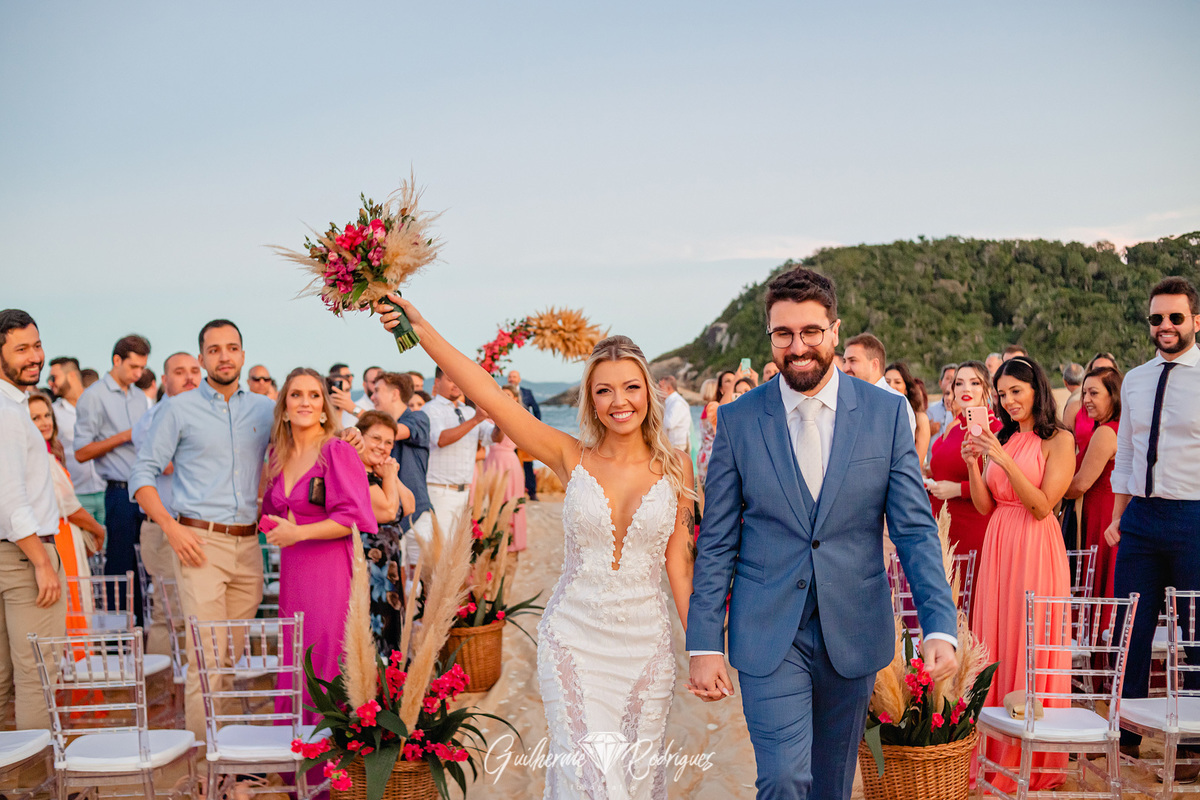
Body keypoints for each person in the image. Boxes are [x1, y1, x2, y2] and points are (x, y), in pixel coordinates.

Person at [378, 294, 697, 798]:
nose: (620, 402)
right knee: (589, 779)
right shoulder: (570, 455)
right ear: (590, 400)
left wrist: (702, 647)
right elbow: (492, 396)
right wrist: (421, 328)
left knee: (636, 782)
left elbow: (679, 563)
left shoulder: (678, 466)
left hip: (647, 650)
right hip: (573, 642)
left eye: (632, 387)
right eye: (604, 390)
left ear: (650, 394)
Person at [687, 268, 958, 800]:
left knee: (831, 786)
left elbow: (913, 528)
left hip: (853, 628)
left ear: (835, 331)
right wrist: (703, 642)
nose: (798, 346)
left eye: (811, 331)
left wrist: (939, 625)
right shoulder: (739, 420)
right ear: (770, 337)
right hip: (767, 630)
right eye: (783, 334)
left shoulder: (885, 414)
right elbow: (717, 539)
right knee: (785, 778)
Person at [131, 320, 363, 741]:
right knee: (207, 662)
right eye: (214, 349)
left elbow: (309, 436)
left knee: (226, 658)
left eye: (232, 348)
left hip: (249, 549)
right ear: (201, 359)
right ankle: (207, 768)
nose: (224, 356)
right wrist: (170, 527)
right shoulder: (177, 409)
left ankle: (228, 751)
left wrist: (351, 435)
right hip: (198, 543)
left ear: (242, 354)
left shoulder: (263, 409)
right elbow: (141, 475)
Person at [964, 356, 1073, 791]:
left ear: (1036, 390)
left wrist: (1002, 459)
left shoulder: (1058, 440)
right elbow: (985, 505)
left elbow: (1043, 504)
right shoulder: (1002, 439)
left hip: (1035, 545)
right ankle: (991, 752)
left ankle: (1034, 758)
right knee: (996, 639)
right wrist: (975, 461)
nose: (1009, 401)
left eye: (1017, 391)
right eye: (1003, 393)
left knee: (1029, 641)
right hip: (999, 542)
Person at [1107, 277, 1200, 772]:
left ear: (1195, 321)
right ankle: (1125, 732)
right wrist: (1118, 517)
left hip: (1194, 515)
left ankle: (1193, 740)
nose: (1164, 326)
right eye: (1156, 318)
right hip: (1141, 517)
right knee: (1131, 624)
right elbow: (1126, 453)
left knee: (1196, 629)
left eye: (1175, 317)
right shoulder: (1137, 379)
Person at [261, 368, 377, 724]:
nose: (305, 402)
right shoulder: (277, 457)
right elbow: (269, 511)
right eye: (296, 394)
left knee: (324, 656)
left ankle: (325, 773)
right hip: (293, 574)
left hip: (329, 572)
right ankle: (292, 757)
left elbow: (357, 517)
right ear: (283, 408)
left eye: (314, 395)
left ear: (325, 408)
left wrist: (299, 533)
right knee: (294, 657)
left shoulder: (337, 450)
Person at [0, 309, 67, 730]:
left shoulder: (18, 406)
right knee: (38, 677)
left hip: (14, 553)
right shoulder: (8, 414)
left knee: (7, 678)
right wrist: (42, 561)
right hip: (25, 555)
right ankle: (34, 790)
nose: (35, 356)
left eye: (37, 345)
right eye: (21, 349)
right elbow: (10, 499)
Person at [74, 333, 151, 625]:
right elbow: (81, 452)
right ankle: (117, 641)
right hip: (118, 492)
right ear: (116, 360)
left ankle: (140, 634)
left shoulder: (140, 396)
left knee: (142, 567)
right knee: (119, 566)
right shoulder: (94, 397)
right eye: (133, 367)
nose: (139, 374)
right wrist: (124, 436)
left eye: (142, 368)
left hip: (145, 489)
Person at [131, 351, 202, 656]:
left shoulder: (199, 413)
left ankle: (186, 687)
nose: (189, 378)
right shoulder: (159, 416)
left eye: (195, 371)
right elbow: (168, 463)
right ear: (164, 379)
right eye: (179, 372)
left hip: (193, 528)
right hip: (165, 528)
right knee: (169, 613)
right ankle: (163, 691)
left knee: (190, 612)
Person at [927, 361, 1003, 581]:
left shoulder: (995, 430)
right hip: (940, 528)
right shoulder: (954, 426)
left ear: (987, 389)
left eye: (974, 383)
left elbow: (997, 488)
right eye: (959, 383)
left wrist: (957, 489)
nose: (965, 389)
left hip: (973, 528)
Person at [28, 392, 105, 585]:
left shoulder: (52, 450)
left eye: (47, 415)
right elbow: (66, 505)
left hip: (64, 535)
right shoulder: (37, 458)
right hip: (55, 537)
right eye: (35, 418)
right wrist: (98, 530)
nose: (45, 422)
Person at [355, 409, 413, 660]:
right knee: (376, 631)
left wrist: (391, 476)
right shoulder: (357, 474)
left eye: (389, 442)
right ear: (360, 436)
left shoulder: (379, 475)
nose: (383, 447)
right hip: (370, 567)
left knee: (391, 628)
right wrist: (388, 476)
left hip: (388, 567)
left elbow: (409, 506)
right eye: (376, 439)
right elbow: (389, 511)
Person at [1064, 367, 1121, 604]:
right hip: (1101, 511)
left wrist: (1045, 490)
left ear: (1113, 395)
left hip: (1102, 514)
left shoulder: (1107, 432)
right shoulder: (1108, 428)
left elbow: (1080, 484)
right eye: (1084, 393)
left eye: (1094, 393)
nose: (1085, 400)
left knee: (1100, 580)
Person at [371, 372, 432, 572]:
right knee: (395, 582)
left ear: (395, 394)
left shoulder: (419, 418)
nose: (373, 397)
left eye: (377, 391)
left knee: (428, 582)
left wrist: (352, 409)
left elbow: (393, 433)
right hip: (388, 518)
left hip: (418, 518)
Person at [424, 366, 493, 533]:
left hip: (464, 491)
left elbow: (493, 437)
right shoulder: (430, 409)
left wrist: (503, 417)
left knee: (456, 549)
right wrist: (476, 420)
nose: (456, 384)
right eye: (450, 379)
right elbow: (441, 439)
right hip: (440, 491)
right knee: (440, 547)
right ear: (437, 382)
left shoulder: (469, 411)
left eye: (459, 380)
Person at [47, 356, 106, 523]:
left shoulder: (99, 405)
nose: (50, 383)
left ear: (72, 376)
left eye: (53, 378)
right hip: (75, 496)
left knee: (112, 547)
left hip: (105, 490)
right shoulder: (52, 413)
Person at [482, 386, 528, 554]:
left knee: (511, 499)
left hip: (509, 461)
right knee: (492, 500)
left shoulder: (518, 418)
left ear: (515, 398)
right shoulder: (490, 418)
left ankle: (513, 539)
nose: (504, 397)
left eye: (508, 395)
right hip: (492, 461)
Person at [842, 332, 917, 436]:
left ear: (874, 364)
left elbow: (902, 450)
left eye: (853, 361)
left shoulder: (896, 403)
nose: (845, 368)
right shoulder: (845, 400)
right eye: (844, 361)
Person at [886, 362, 932, 464]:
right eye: (887, 382)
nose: (891, 386)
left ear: (906, 389)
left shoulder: (920, 419)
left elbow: (917, 464)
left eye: (897, 382)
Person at [507, 370, 542, 502]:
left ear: (519, 379)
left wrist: (535, 427)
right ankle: (514, 491)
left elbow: (536, 410)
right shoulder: (503, 392)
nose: (512, 379)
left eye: (514, 376)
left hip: (525, 432)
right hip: (508, 432)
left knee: (528, 463)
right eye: (510, 376)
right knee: (512, 462)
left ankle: (532, 492)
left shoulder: (527, 392)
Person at [328, 363, 371, 428]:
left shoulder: (355, 409)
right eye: (347, 376)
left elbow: (375, 423)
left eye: (347, 390)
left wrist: (353, 409)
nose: (351, 378)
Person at [658, 375, 692, 453]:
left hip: (678, 445)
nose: (658, 389)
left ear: (669, 388)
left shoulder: (677, 403)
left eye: (660, 387)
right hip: (673, 444)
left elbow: (669, 424)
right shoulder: (671, 402)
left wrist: (660, 407)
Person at [696, 379, 718, 489]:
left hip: (703, 453)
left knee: (704, 489)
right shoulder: (714, 408)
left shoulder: (705, 408)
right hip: (712, 452)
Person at [1060, 362, 1086, 433]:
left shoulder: (1073, 402)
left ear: (1065, 382)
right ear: (1084, 379)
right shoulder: (1090, 396)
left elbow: (1067, 432)